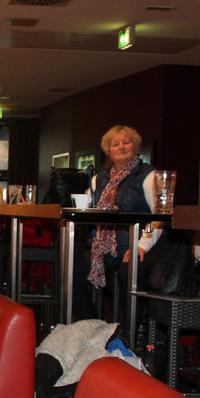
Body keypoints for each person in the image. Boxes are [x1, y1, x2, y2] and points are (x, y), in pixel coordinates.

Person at [71, 125, 163, 322]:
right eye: (115, 144)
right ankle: (91, 324)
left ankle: (127, 331)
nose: (121, 147)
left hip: (138, 246)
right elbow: (89, 208)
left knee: (128, 273)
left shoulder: (150, 176)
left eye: (126, 142)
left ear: (136, 148)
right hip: (104, 249)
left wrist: (142, 245)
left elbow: (160, 216)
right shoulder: (99, 179)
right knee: (72, 267)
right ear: (109, 151)